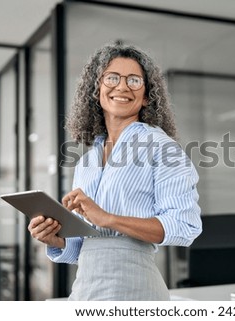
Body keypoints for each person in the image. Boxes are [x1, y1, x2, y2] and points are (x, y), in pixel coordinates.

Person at [27, 42, 202, 301]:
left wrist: (108, 218)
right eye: (112, 78)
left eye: (134, 80)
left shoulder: (161, 147)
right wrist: (56, 239)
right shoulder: (86, 161)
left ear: (146, 95)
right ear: (97, 89)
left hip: (134, 291)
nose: (122, 86)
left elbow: (185, 226)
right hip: (86, 291)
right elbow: (87, 245)